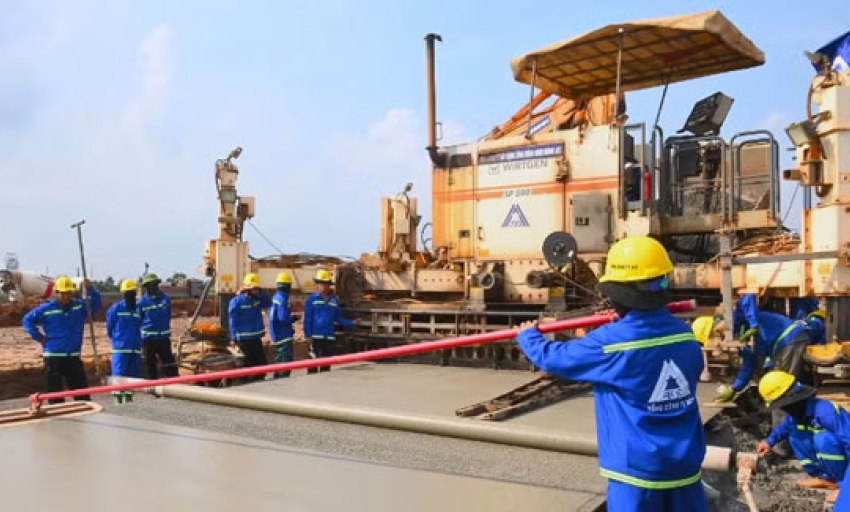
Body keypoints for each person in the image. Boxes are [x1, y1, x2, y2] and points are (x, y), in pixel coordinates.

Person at [516, 236, 707, 512]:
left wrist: (528, 337)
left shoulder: (612, 342)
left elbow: (556, 359)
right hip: (684, 466)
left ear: (619, 294)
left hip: (636, 474)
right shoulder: (685, 335)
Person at [758, 371, 850, 505]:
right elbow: (785, 426)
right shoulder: (798, 413)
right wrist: (769, 442)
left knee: (822, 439)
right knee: (795, 436)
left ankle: (842, 484)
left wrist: (847, 488)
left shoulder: (825, 411)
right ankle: (825, 479)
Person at [715, 295, 812, 402]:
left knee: (782, 384)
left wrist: (753, 325)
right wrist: (734, 388)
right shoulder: (741, 336)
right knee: (784, 381)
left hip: (790, 338)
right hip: (786, 342)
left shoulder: (743, 317)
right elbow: (749, 364)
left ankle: (788, 410)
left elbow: (748, 297)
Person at [22, 276, 102, 403]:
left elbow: (96, 305)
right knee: (55, 396)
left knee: (82, 395)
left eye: (68, 292)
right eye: (62, 293)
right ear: (56, 292)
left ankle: (85, 413)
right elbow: (27, 320)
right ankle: (57, 414)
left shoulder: (79, 307)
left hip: (73, 356)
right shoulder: (46, 309)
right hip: (54, 357)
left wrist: (90, 288)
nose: (65, 296)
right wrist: (38, 337)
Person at [303, 269, 355, 374]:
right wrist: (308, 335)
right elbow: (308, 318)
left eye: (326, 284)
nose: (323, 286)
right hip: (316, 337)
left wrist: (351, 323)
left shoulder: (334, 301)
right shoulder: (311, 300)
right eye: (321, 283)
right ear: (317, 284)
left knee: (326, 365)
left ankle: (324, 381)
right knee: (312, 363)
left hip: (328, 337)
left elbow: (338, 318)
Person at [228, 272, 272, 380]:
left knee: (262, 365)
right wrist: (233, 338)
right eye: (254, 289)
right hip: (244, 340)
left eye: (257, 289)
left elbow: (268, 302)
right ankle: (246, 384)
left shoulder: (257, 300)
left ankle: (255, 382)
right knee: (248, 366)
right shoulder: (236, 302)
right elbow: (232, 321)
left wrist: (261, 292)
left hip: (255, 339)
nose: (256, 291)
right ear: (247, 289)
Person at [106, 279, 143, 403]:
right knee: (119, 375)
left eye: (132, 293)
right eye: (128, 293)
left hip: (135, 349)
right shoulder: (116, 309)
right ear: (123, 294)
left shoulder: (138, 309)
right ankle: (118, 402)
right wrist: (119, 340)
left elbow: (140, 324)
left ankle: (129, 401)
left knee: (132, 377)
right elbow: (110, 328)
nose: (130, 296)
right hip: (121, 349)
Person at [138, 273, 177, 378]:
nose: (152, 287)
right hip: (148, 340)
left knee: (169, 364)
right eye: (149, 285)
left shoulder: (165, 299)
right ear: (146, 287)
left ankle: (175, 384)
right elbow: (139, 320)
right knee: (150, 365)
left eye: (154, 284)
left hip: (163, 339)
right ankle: (153, 385)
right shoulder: (142, 303)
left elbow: (168, 315)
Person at [269, 272, 296, 378]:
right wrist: (293, 319)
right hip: (284, 335)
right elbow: (283, 318)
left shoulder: (275, 298)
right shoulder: (282, 300)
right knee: (285, 362)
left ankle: (277, 378)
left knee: (279, 360)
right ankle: (281, 380)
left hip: (277, 334)